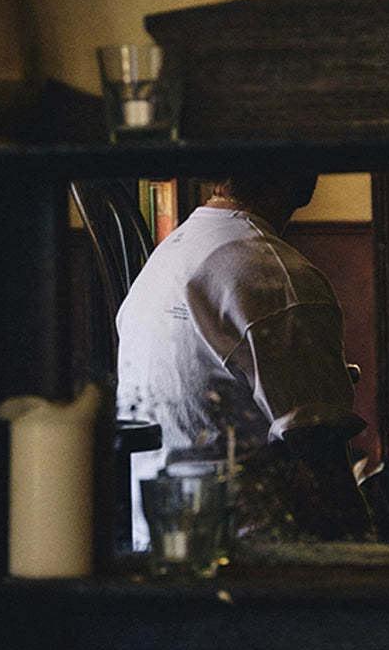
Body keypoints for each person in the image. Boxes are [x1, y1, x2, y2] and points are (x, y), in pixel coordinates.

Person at [115, 169, 374, 549]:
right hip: (252, 555)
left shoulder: (170, 255)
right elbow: (320, 456)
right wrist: (369, 554)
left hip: (161, 543)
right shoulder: (275, 274)